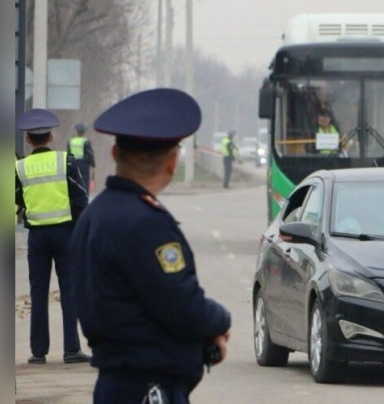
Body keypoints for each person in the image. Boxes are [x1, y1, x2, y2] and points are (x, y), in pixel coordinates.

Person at [69, 88, 232, 403]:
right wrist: (220, 320)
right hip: (147, 388)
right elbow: (183, 305)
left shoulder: (94, 214)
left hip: (118, 383)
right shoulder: (145, 223)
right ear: (173, 162)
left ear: (115, 155)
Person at [15, 108, 91, 365]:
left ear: (27, 139)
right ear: (51, 137)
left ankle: (38, 352)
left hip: (37, 238)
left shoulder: (20, 167)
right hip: (65, 235)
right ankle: (71, 349)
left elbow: (16, 198)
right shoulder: (65, 161)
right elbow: (80, 197)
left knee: (38, 293)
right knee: (69, 291)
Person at [67, 123, 96, 195]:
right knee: (84, 181)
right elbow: (89, 154)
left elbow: (68, 152)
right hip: (83, 164)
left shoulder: (71, 141)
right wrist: (93, 165)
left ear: (77, 131)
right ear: (84, 132)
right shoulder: (86, 141)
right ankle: (84, 195)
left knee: (74, 180)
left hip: (73, 162)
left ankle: (74, 195)